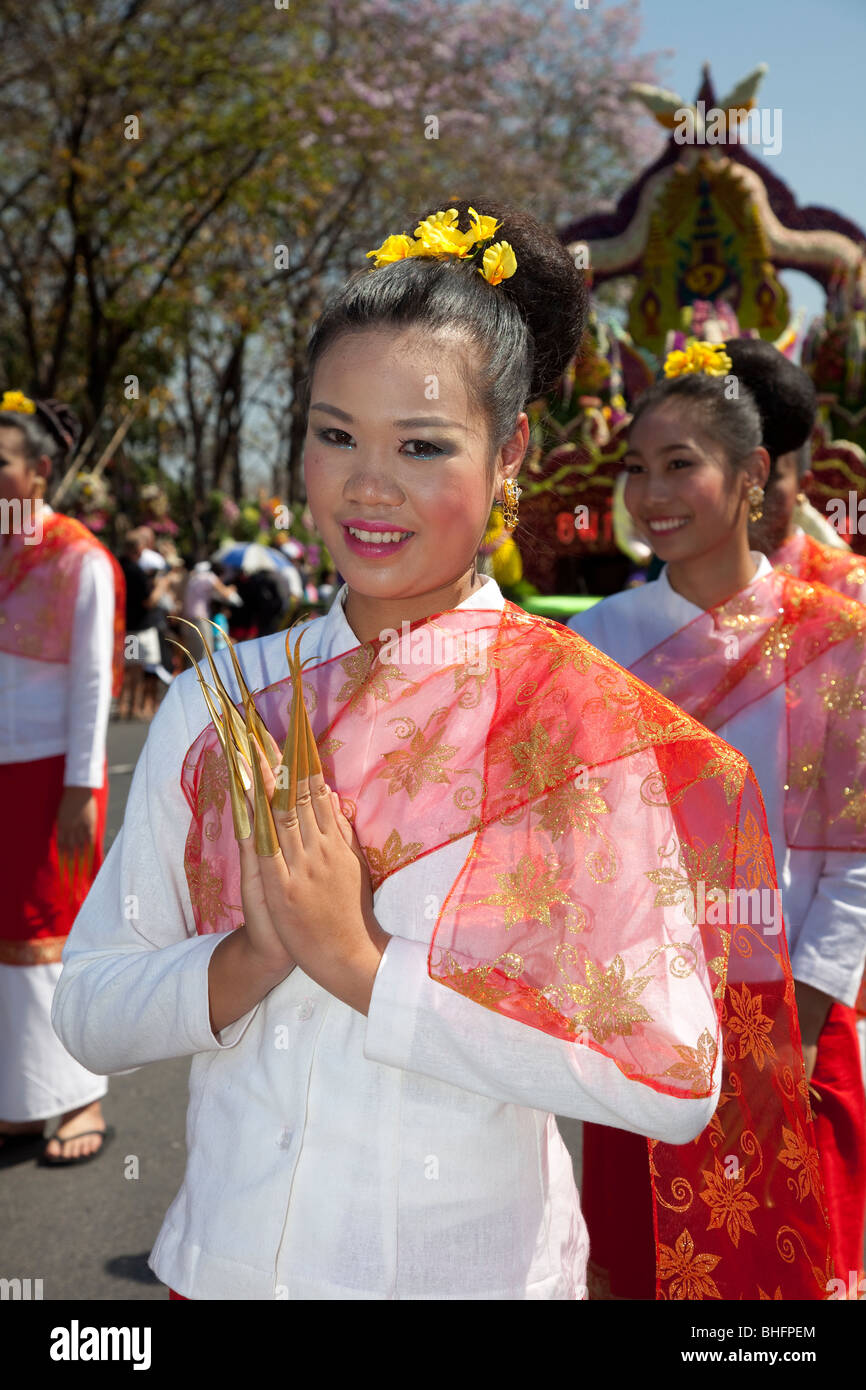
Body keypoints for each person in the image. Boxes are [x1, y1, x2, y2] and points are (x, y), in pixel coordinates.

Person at [54, 206, 827, 1300]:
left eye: (421, 446)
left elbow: (670, 1075)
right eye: (334, 435)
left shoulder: (572, 726)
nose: (369, 486)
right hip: (213, 1266)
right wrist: (249, 960)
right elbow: (88, 1007)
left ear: (508, 451)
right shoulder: (218, 703)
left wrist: (361, 967)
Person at [569, 341, 866, 1295]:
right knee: (648, 1267)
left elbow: (856, 850)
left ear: (751, 478)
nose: (652, 491)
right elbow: (575, 848)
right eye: (636, 468)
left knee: (785, 1287)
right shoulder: (590, 645)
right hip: (646, 1016)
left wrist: (806, 1006)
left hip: (794, 1012)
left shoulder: (835, 634)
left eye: (680, 464)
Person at [0, 391, 125, 1164]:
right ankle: (21, 1098)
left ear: (40, 471)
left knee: (53, 930)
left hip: (55, 775)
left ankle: (81, 1096)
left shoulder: (81, 558)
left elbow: (91, 685)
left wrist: (83, 787)